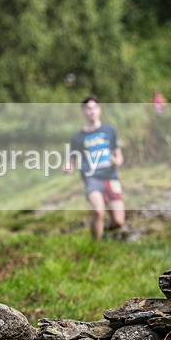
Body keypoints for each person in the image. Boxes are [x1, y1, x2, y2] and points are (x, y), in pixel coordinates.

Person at [65, 95, 125, 241]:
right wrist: (69, 167)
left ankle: (102, 231)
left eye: (94, 108)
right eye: (88, 108)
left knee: (118, 222)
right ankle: (96, 248)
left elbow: (119, 157)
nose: (91, 111)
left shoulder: (109, 130)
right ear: (83, 112)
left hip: (111, 177)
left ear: (99, 109)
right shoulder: (78, 137)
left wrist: (117, 161)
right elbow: (71, 159)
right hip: (91, 178)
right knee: (98, 211)